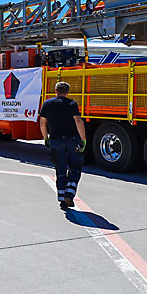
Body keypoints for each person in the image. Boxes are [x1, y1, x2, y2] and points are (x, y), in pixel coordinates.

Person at [38, 81, 88, 210]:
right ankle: (69, 194)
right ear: (67, 92)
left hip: (56, 140)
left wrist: (46, 138)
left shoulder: (47, 104)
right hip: (72, 140)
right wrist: (83, 140)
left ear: (56, 91)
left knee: (60, 169)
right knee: (75, 168)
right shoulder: (72, 104)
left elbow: (43, 123)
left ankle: (62, 200)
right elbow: (78, 121)